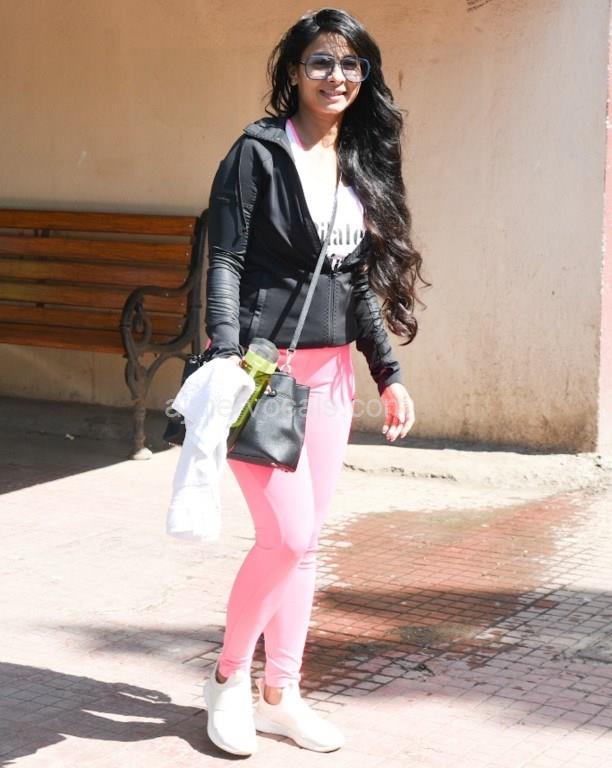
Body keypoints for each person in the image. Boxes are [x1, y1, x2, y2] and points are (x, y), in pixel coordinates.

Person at [201, 7, 428, 757]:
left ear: (366, 76)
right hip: (263, 370)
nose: (337, 76)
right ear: (294, 72)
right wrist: (227, 354)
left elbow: (354, 281)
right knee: (287, 536)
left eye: (351, 63)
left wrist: (387, 371)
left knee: (304, 547)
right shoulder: (258, 152)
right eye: (321, 62)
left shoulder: (359, 159)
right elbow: (225, 259)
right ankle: (228, 679)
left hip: (331, 377)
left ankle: (281, 694)